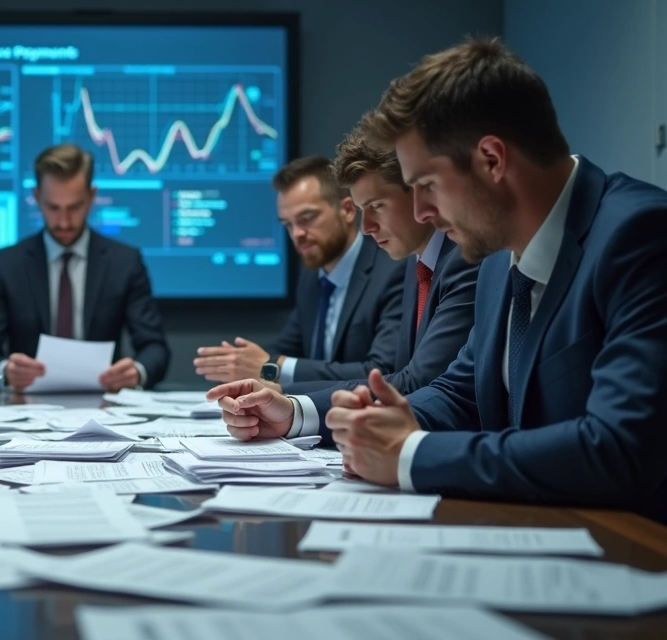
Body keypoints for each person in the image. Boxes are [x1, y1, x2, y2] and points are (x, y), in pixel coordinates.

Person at [214, 37, 667, 522]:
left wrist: (410, 457)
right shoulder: (497, 258)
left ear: (492, 159)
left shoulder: (640, 236)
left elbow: (620, 447)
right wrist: (308, 417)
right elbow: (460, 391)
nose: (423, 212)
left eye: (426, 186)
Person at [211, 127, 480, 434]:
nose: (367, 227)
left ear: (420, 191)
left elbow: (413, 381)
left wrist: (293, 403)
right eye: (288, 224)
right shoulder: (414, 263)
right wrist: (273, 392)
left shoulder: (458, 260)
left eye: (376, 206)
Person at [0, 143, 170, 392]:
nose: (63, 221)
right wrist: (6, 370)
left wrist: (136, 372)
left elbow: (155, 347)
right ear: (37, 197)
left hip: (107, 406)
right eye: (53, 207)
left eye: (74, 207)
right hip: (26, 409)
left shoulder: (124, 261)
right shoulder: (7, 264)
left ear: (92, 197)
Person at [194, 156, 404, 384]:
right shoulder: (312, 276)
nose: (297, 234)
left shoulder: (392, 270)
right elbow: (287, 349)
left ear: (347, 210)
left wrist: (271, 367)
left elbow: (382, 372)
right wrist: (242, 362)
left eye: (307, 218)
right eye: (288, 224)